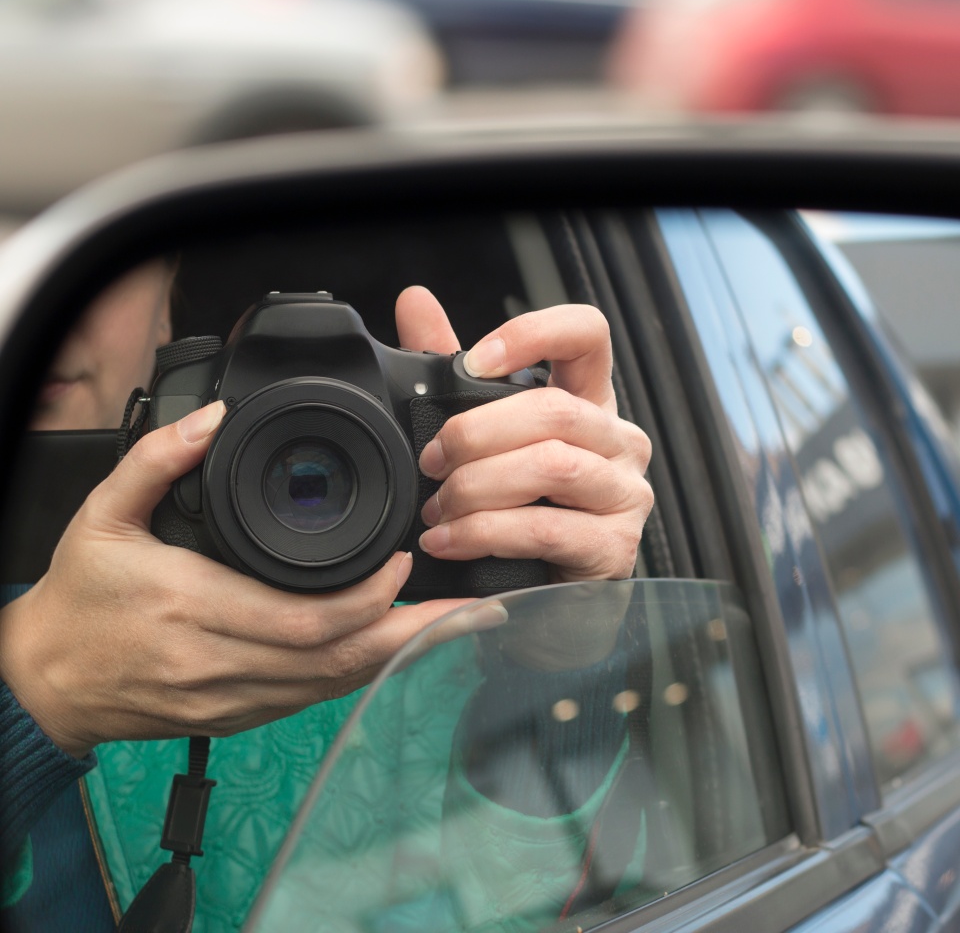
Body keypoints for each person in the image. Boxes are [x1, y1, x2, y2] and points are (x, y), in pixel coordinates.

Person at [0, 275, 654, 931]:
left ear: (166, 301)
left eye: (94, 267)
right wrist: (33, 685)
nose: (38, 306)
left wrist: (558, 658)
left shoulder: (444, 622)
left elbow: (540, 901)